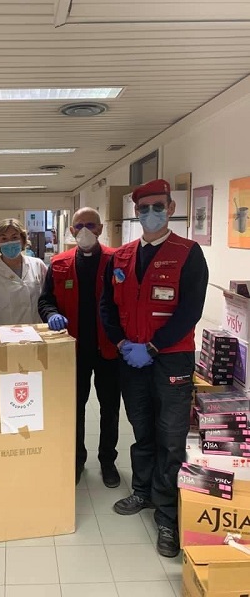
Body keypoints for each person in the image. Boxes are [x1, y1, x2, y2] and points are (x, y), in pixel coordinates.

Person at [100, 179, 208, 558]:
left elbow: (190, 310)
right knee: (142, 427)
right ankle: (142, 491)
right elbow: (107, 307)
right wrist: (121, 343)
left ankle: (167, 515)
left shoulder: (188, 253)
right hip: (132, 359)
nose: (151, 214)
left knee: (171, 436)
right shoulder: (121, 257)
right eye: (144, 208)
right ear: (135, 211)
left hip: (171, 358)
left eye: (158, 206)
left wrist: (154, 346)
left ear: (171, 207)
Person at [38, 207, 121, 488]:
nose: (84, 230)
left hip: (109, 349)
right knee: (74, 408)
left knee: (110, 408)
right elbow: (45, 300)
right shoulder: (59, 263)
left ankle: (108, 461)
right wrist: (51, 314)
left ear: (100, 229)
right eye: (78, 226)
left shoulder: (116, 260)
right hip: (73, 351)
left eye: (90, 225)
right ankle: (76, 459)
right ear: (71, 230)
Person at [0, 218, 47, 325]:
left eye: (14, 237)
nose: (9, 242)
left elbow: (49, 299)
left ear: (23, 240)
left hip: (36, 331)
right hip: (5, 333)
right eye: (4, 238)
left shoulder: (38, 265)